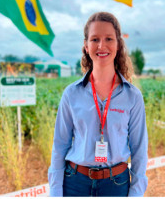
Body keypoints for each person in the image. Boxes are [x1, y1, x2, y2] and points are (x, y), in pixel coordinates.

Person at [48, 12, 147, 196]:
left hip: (116, 185)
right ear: (86, 46)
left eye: (109, 38)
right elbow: (60, 145)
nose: (101, 45)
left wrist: (136, 193)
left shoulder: (133, 97)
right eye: (95, 39)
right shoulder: (71, 94)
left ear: (118, 45)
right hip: (75, 183)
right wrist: (55, 192)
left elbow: (139, 149)